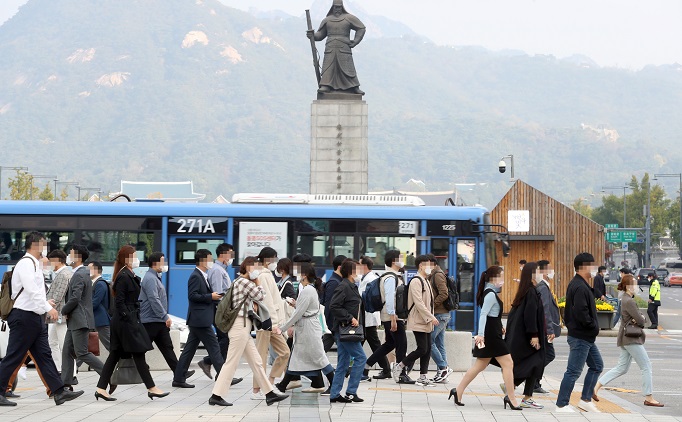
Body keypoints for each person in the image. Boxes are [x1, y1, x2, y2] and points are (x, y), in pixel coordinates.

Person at [0, 231, 84, 407]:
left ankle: (59, 391)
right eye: (44, 244)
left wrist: (45, 303)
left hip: (34, 317)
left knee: (44, 355)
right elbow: (30, 291)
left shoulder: (35, 264)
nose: (46, 248)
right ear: (36, 244)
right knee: (14, 356)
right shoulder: (25, 264)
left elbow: (36, 293)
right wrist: (49, 308)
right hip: (23, 317)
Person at [209, 257, 289, 407]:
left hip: (243, 327)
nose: (257, 271)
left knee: (257, 362)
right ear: (247, 268)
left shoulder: (238, 282)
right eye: (255, 268)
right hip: (240, 326)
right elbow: (261, 296)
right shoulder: (244, 282)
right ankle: (216, 395)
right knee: (231, 362)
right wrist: (258, 282)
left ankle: (269, 393)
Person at [94, 245, 168, 401]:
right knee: (138, 353)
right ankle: (151, 388)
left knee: (115, 355)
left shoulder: (128, 274)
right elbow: (119, 302)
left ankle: (101, 388)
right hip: (125, 323)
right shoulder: (123, 276)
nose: (136, 259)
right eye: (134, 256)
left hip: (126, 320)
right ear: (126, 259)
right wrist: (130, 319)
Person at [449, 266, 521, 410]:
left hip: (493, 330)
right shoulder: (490, 294)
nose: (503, 280)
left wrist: (499, 325)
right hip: (491, 335)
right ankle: (511, 398)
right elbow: (483, 315)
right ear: (493, 278)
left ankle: (458, 391)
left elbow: (492, 315)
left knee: (479, 366)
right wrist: (480, 334)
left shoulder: (490, 292)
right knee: (508, 364)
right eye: (501, 277)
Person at [595, 274, 663, 407]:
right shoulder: (629, 301)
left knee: (621, 368)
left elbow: (636, 318)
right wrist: (640, 318)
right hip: (631, 338)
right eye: (635, 284)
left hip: (626, 338)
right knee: (646, 366)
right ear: (628, 286)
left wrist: (637, 318)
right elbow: (641, 320)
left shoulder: (624, 299)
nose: (637, 287)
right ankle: (649, 397)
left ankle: (595, 387)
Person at [275, 263, 335, 394]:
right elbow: (303, 309)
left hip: (308, 329)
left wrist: (283, 328)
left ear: (304, 275)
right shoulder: (309, 289)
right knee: (300, 357)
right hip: (307, 328)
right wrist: (296, 304)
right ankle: (283, 385)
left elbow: (298, 313)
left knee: (319, 358)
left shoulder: (307, 290)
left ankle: (283, 385)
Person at [555, 252, 603, 413]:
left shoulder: (579, 284)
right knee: (573, 371)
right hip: (581, 336)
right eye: (592, 265)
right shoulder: (579, 286)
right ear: (584, 267)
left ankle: (585, 400)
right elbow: (581, 313)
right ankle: (561, 404)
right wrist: (593, 327)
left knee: (597, 365)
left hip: (585, 336)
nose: (594, 269)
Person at [173, 249, 225, 389]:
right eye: (210, 259)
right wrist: (210, 297)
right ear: (202, 260)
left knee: (189, 350)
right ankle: (224, 377)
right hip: (200, 320)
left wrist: (214, 297)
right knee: (214, 348)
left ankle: (178, 378)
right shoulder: (196, 276)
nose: (212, 262)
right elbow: (193, 296)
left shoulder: (203, 275)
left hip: (198, 319)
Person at [139, 252, 193, 379]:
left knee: (167, 348)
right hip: (151, 321)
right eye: (162, 262)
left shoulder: (155, 277)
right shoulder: (150, 278)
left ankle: (180, 375)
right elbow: (154, 299)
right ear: (155, 263)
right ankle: (135, 365)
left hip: (156, 320)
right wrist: (165, 316)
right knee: (140, 349)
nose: (164, 265)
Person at [61, 244, 104, 387]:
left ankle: (107, 374)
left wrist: (63, 310)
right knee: (67, 352)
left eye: (71, 253)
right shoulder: (83, 272)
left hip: (79, 319)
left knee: (82, 353)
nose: (68, 255)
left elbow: (75, 298)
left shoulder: (80, 274)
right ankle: (65, 385)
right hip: (76, 320)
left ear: (77, 257)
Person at [505, 262, 546, 409]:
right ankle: (522, 394)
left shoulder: (526, 290)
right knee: (536, 363)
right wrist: (534, 335)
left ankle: (512, 387)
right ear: (532, 274)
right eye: (538, 271)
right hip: (528, 336)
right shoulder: (530, 292)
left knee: (532, 364)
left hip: (522, 336)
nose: (541, 274)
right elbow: (530, 315)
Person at [365, 249, 409, 383]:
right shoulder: (390, 277)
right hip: (393, 317)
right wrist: (393, 318)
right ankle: (401, 375)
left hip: (389, 316)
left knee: (389, 344)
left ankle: (366, 366)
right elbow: (390, 299)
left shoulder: (391, 276)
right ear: (394, 261)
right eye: (401, 258)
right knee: (401, 345)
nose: (403, 260)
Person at [252, 247, 290, 400]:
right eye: (274, 259)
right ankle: (256, 391)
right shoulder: (263, 275)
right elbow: (266, 301)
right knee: (261, 356)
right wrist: (273, 323)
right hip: (266, 323)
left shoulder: (266, 275)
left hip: (272, 323)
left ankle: (270, 382)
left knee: (285, 352)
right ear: (268, 259)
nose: (275, 262)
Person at [394, 255, 438, 387]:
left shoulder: (426, 280)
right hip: (418, 320)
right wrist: (431, 317)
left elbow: (429, 303)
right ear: (421, 265)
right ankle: (400, 366)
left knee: (428, 348)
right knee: (422, 348)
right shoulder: (416, 281)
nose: (431, 268)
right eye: (429, 265)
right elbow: (419, 303)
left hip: (426, 320)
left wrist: (430, 317)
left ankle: (423, 377)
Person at [306, 0, 366, 95]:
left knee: (348, 68)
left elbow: (361, 28)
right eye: (335, 7)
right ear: (332, 7)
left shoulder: (349, 18)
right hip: (330, 47)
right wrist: (312, 35)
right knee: (328, 67)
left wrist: (355, 41)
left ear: (342, 7)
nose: (337, 9)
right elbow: (320, 35)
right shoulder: (327, 20)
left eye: (339, 7)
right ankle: (326, 85)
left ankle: (354, 87)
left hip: (344, 47)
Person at [329, 259, 367, 403]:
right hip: (345, 329)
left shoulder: (351, 286)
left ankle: (334, 394)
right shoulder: (343, 286)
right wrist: (350, 318)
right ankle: (351, 392)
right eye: (357, 269)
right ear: (350, 271)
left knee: (343, 363)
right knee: (361, 358)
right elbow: (334, 306)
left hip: (346, 330)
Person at [199, 243, 234, 380]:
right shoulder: (217, 270)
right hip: (220, 310)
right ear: (224, 254)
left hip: (221, 309)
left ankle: (221, 372)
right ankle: (208, 362)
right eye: (231, 254)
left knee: (224, 339)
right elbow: (218, 294)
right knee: (225, 339)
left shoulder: (220, 269)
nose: (232, 257)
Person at [359, 256, 391, 381]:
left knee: (374, 345)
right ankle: (386, 369)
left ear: (365, 266)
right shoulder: (366, 278)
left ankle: (386, 369)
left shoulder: (371, 279)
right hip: (366, 317)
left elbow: (364, 297)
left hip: (369, 317)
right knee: (372, 344)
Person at [534, 260, 560, 395]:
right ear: (543, 272)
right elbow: (545, 310)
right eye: (550, 269)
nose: (552, 271)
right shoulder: (543, 287)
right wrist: (549, 330)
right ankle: (532, 379)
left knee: (544, 355)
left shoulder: (544, 286)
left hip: (542, 329)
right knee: (548, 355)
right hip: (544, 330)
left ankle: (535, 381)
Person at [428, 254, 453, 383]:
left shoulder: (437, 274)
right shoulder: (435, 273)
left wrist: (432, 304)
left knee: (429, 341)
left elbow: (444, 293)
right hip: (441, 313)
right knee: (439, 343)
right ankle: (442, 373)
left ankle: (443, 368)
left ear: (431, 263)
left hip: (440, 314)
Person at [45, 249, 72, 370]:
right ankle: (59, 369)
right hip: (57, 315)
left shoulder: (63, 275)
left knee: (63, 344)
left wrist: (45, 305)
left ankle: (71, 373)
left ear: (57, 261)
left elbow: (57, 297)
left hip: (60, 315)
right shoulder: (63, 274)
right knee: (53, 342)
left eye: (51, 261)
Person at [322, 255, 347, 353]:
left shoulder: (338, 281)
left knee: (322, 350)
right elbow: (329, 304)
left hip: (333, 324)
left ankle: (311, 367)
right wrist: (328, 324)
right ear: (340, 267)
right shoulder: (334, 283)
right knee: (345, 350)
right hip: (333, 324)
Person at [90, 261, 111, 351]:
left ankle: (126, 362)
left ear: (96, 270)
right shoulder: (95, 283)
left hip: (100, 320)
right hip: (95, 319)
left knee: (110, 344)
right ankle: (76, 365)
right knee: (87, 345)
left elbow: (95, 302)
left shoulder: (100, 284)